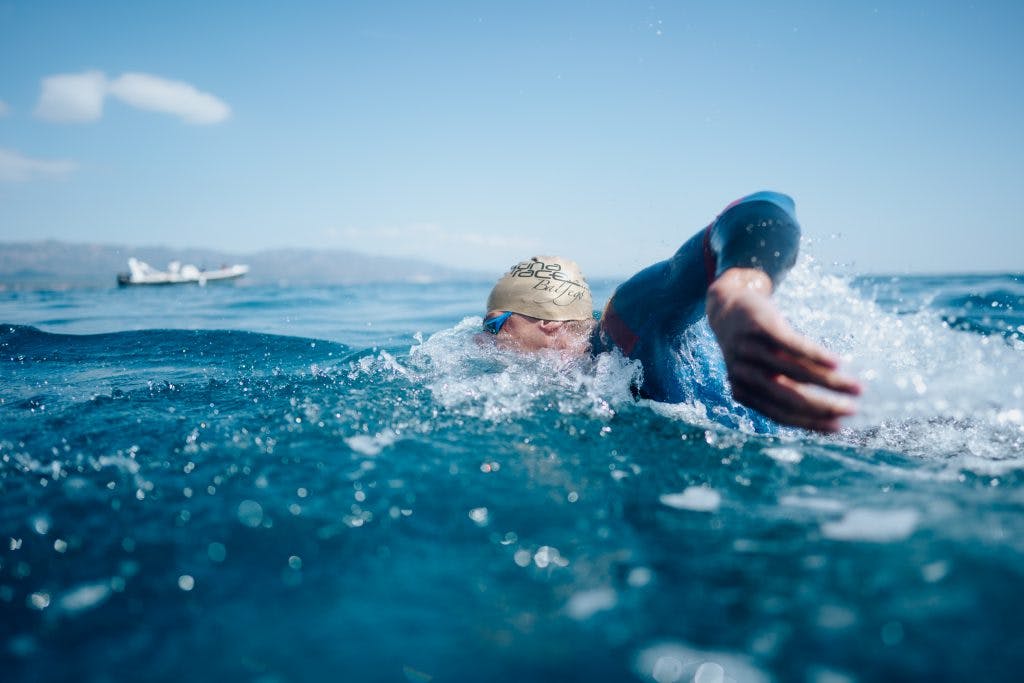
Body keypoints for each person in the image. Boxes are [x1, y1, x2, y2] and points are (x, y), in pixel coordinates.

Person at [481, 191, 861, 433]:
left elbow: (766, 205)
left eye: (494, 325)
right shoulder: (586, 379)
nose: (482, 340)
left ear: (547, 323)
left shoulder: (623, 326)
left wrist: (740, 288)